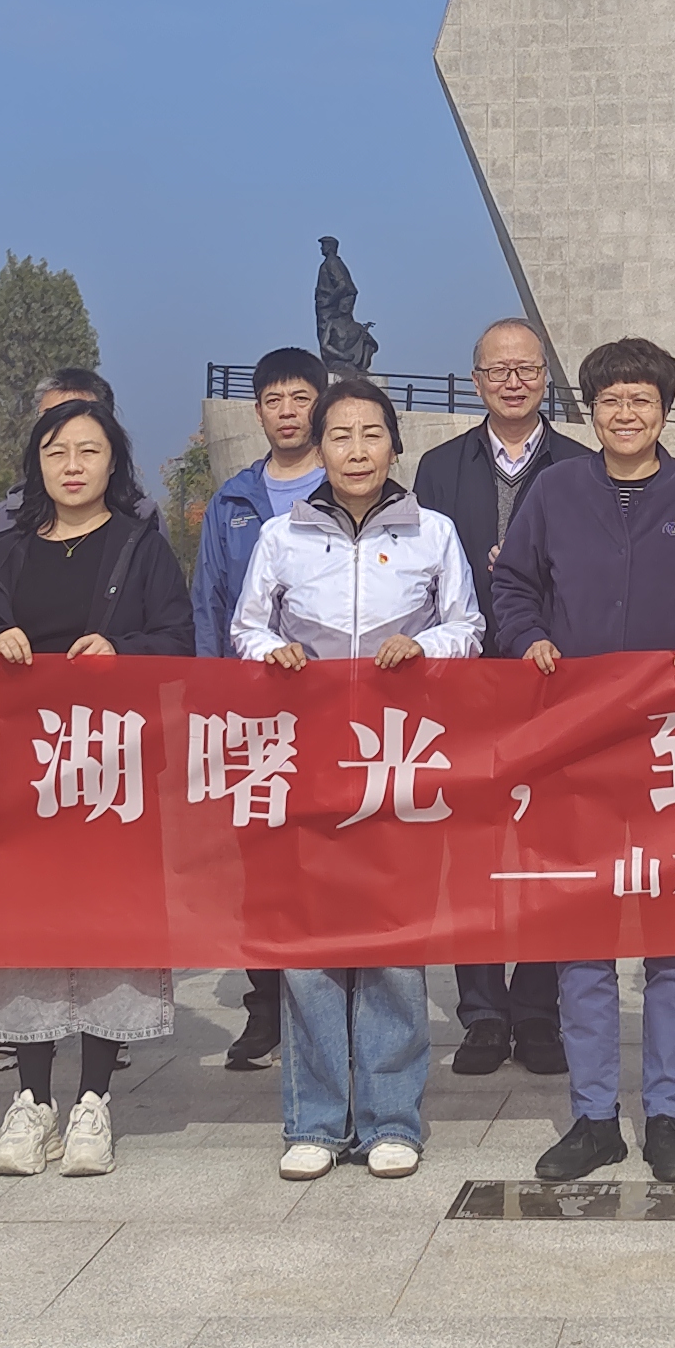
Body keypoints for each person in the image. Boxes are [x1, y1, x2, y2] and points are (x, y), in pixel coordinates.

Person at [489, 335, 675, 1185]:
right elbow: (512, 587)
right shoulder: (556, 491)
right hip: (580, 751)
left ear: (664, 411)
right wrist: (528, 639)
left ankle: (669, 1115)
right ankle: (595, 1117)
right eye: (610, 401)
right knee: (584, 940)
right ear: (591, 410)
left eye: (641, 400)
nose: (626, 414)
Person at [233, 374, 481, 1179]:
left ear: (394, 446)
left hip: (396, 763)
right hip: (306, 763)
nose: (356, 450)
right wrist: (271, 653)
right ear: (319, 448)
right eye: (340, 436)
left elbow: (468, 627)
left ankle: (391, 1120)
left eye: (372, 434)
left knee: (391, 943)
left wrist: (425, 648)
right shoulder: (283, 536)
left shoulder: (433, 532)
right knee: (308, 946)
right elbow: (244, 628)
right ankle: (314, 1121)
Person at [0, 394, 193, 1180]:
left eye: (89, 451)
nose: (73, 466)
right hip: (20, 772)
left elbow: (179, 640)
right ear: (37, 466)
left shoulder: (141, 549)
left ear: (113, 463)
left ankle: (93, 1099)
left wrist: (122, 652)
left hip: (109, 770)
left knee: (105, 926)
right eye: (57, 452)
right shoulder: (1, 554)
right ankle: (31, 1100)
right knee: (24, 928)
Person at [412, 317, 585, 1078]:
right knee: (471, 850)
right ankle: (482, 1012)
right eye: (497, 371)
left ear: (545, 377)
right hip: (465, 687)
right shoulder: (439, 468)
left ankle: (539, 1009)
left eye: (527, 370)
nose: (513, 383)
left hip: (554, 680)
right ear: (476, 381)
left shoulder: (579, 463)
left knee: (550, 847)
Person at [190, 346, 327, 1072]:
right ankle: (266, 1004)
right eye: (273, 400)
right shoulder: (233, 502)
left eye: (299, 398)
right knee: (262, 863)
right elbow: (210, 603)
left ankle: (331, 1000)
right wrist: (216, 700)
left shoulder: (349, 485)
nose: (287, 412)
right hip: (255, 713)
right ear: (258, 412)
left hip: (335, 713)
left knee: (333, 857)